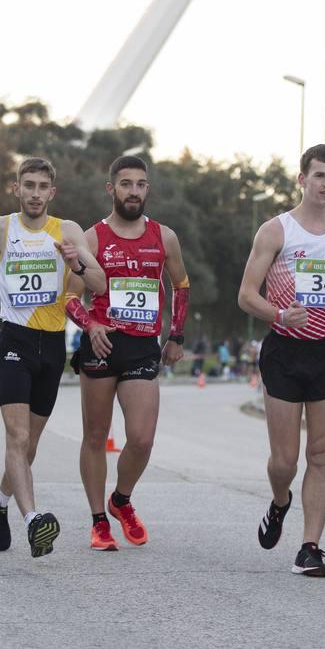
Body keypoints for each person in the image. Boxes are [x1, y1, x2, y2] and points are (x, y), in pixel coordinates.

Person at [0, 157, 105, 558]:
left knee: (31, 444)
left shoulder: (68, 230)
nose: (35, 193)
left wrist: (75, 260)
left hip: (52, 345)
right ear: (17, 189)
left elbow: (99, 281)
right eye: (29, 185)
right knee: (17, 437)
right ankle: (33, 519)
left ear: (51, 192)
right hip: (15, 342)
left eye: (42, 187)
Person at [238, 144, 325, 578]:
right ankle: (280, 502)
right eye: (319, 176)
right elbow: (246, 295)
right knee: (285, 461)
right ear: (302, 179)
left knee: (321, 453)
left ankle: (310, 547)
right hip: (285, 349)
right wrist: (278, 314)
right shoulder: (276, 231)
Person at [65, 155, 189, 551]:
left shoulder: (164, 237)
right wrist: (90, 325)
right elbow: (70, 296)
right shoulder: (92, 237)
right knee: (96, 436)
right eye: (125, 184)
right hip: (101, 342)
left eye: (140, 184)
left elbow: (181, 284)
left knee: (141, 438)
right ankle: (98, 521)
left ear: (147, 189)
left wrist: (177, 336)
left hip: (141, 346)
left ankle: (120, 500)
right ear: (111, 189)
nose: (133, 191)